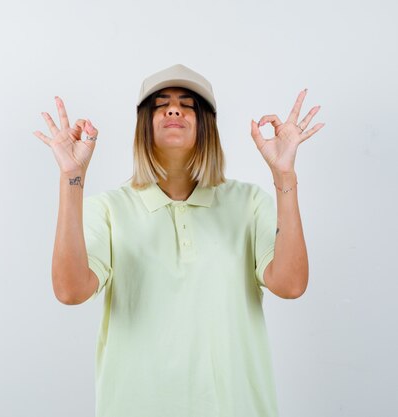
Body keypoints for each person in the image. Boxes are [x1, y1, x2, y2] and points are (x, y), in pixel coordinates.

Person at [33, 64, 324, 417]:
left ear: (206, 125)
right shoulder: (109, 209)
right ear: (144, 124)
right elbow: (70, 291)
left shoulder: (248, 203)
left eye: (188, 104)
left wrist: (284, 176)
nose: (174, 109)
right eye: (161, 104)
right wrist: (72, 178)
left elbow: (291, 284)